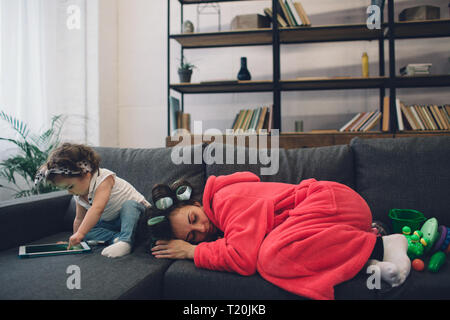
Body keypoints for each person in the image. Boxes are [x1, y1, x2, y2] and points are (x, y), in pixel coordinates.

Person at [148, 171, 411, 300]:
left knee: (271, 257)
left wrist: (193, 251)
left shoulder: (225, 200)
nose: (202, 230)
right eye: (193, 237)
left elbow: (242, 259)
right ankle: (364, 260)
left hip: (333, 201)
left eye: (194, 220)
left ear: (194, 204)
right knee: (275, 253)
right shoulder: (220, 224)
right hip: (330, 217)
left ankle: (383, 245)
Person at [34, 142, 150, 258]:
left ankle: (126, 242)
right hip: (115, 223)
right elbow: (79, 218)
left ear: (86, 174)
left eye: (70, 187)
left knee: (129, 205)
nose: (69, 192)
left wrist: (80, 233)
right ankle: (118, 239)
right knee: (87, 231)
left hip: (140, 217)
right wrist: (76, 238)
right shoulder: (79, 194)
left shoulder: (104, 179)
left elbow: (97, 209)